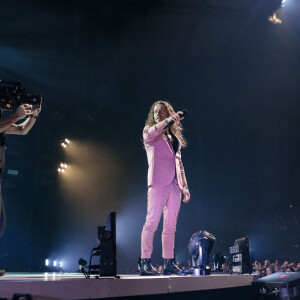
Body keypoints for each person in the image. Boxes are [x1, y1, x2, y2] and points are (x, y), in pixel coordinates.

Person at [140, 100, 191, 276]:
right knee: (151, 222)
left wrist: (185, 186)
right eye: (155, 112)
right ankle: (145, 262)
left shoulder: (174, 138)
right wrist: (171, 119)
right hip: (158, 182)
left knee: (170, 226)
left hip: (175, 185)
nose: (158, 114)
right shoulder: (150, 132)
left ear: (167, 112)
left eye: (162, 112)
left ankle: (168, 262)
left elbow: (179, 162)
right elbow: (153, 131)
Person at [0, 103, 41, 276]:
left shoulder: (4, 124)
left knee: (1, 220)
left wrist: (33, 116)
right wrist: (16, 115)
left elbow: (22, 130)